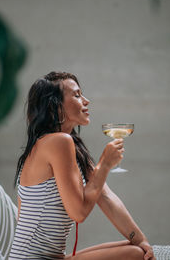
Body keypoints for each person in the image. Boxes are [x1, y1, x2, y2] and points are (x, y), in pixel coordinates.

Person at [9, 71, 154, 260]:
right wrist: (105, 164)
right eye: (77, 95)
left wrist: (141, 240)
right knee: (134, 255)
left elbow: (105, 195)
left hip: (52, 257)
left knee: (137, 249)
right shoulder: (57, 142)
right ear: (55, 106)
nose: (86, 101)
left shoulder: (67, 145)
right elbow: (78, 212)